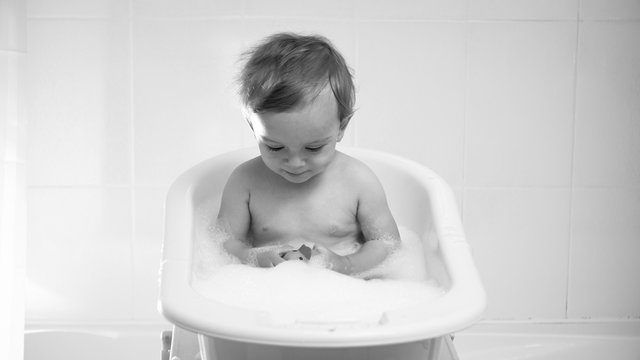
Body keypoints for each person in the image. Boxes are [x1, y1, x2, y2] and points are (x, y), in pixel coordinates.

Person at [216, 32, 400, 275]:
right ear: (253, 127)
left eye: (313, 148)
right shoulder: (245, 182)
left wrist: (348, 264)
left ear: (341, 127)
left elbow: (388, 244)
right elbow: (223, 243)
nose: (295, 163)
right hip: (265, 293)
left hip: (343, 292)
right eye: (275, 147)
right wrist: (251, 257)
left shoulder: (358, 181)